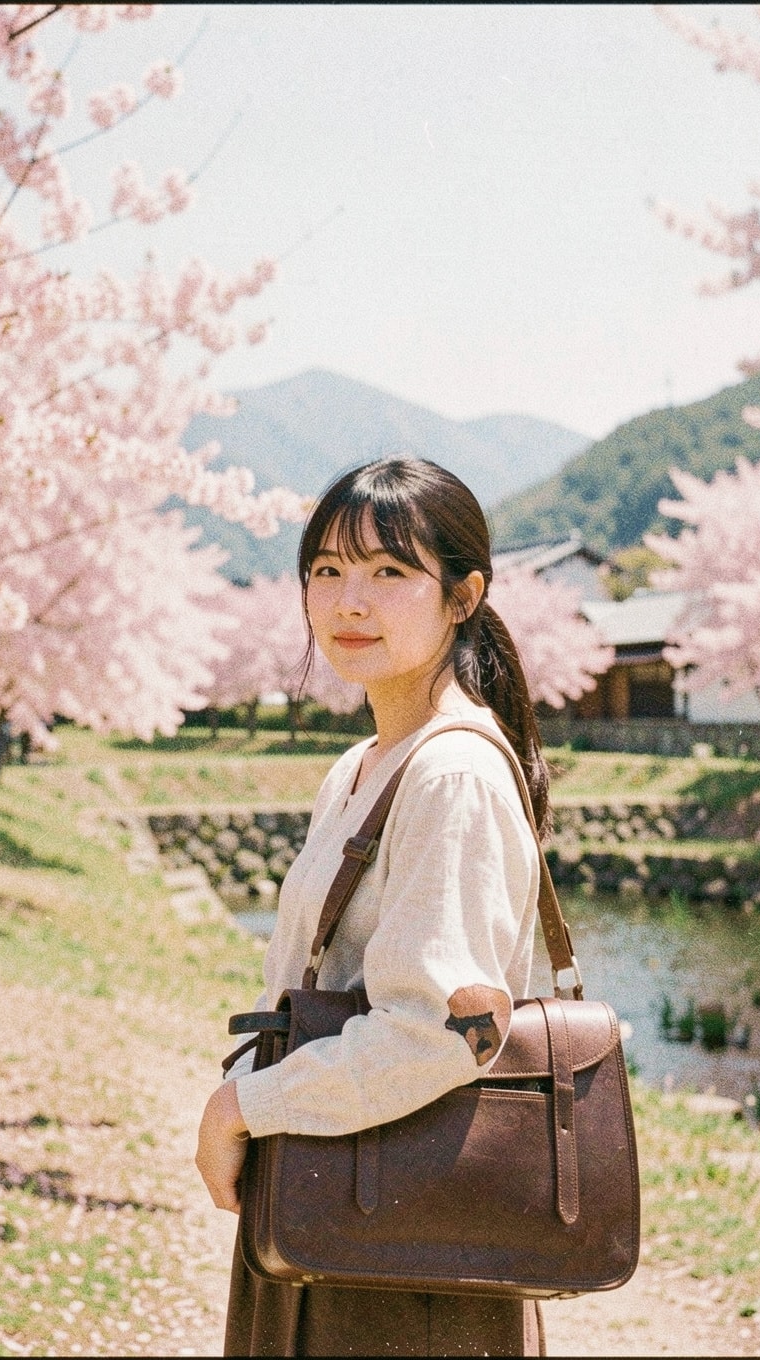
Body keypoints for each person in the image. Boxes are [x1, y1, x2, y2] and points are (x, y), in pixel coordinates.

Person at [196, 457, 553, 1357]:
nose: (350, 601)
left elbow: (440, 1030)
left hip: (408, 1251)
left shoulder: (453, 771)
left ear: (464, 596)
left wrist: (247, 1104)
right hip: (341, 1203)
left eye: (389, 573)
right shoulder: (359, 767)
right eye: (327, 570)